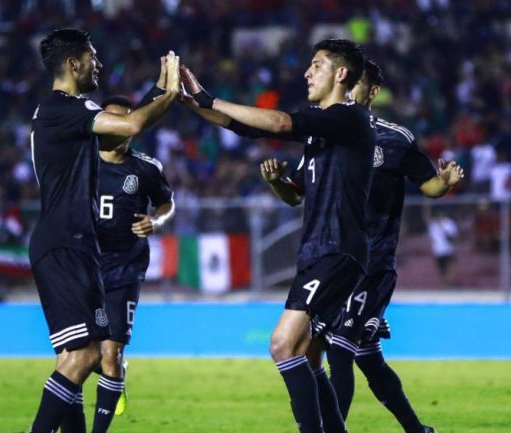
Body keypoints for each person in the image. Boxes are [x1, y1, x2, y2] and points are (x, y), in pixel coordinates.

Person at [182, 39, 374, 433]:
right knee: (303, 354)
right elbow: (292, 193)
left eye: (316, 65)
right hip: (319, 250)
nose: (307, 72)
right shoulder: (322, 132)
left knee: (282, 345)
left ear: (340, 74)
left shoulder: (349, 118)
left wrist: (210, 98)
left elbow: (280, 123)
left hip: (338, 249)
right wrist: (196, 105)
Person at [27, 28, 180, 433]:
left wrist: (162, 88)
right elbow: (130, 127)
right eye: (94, 57)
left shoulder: (64, 112)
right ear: (73, 63)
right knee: (84, 358)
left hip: (75, 245)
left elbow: (127, 126)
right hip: (66, 243)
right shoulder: (64, 108)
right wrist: (168, 92)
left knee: (79, 356)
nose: (100, 64)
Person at [325, 59, 463, 433]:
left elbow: (430, 187)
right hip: (336, 264)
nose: (348, 88)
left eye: (357, 84)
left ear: (371, 92)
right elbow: (299, 193)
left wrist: (445, 181)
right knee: (368, 358)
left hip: (374, 265)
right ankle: (418, 431)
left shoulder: (395, 138)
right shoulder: (327, 134)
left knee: (340, 349)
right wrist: (277, 184)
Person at [84, 95, 175, 427]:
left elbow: (166, 203)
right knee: (84, 355)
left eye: (128, 122)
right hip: (85, 269)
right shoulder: (81, 165)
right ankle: (115, 377)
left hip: (125, 268)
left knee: (111, 354)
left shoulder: (146, 168)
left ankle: (112, 385)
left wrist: (157, 221)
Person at [428, 208, 459, 287]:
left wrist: (446, 234)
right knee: (442, 269)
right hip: (438, 250)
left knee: (449, 266)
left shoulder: (449, 223)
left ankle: (451, 282)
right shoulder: (433, 225)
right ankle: (445, 283)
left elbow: (454, 237)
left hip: (448, 249)